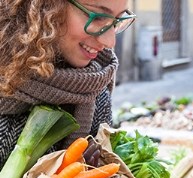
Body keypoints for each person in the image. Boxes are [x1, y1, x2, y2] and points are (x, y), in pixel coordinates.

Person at [0, 0, 136, 168]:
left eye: (117, 20)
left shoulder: (95, 90)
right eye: (97, 17)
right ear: (45, 7)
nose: (109, 42)